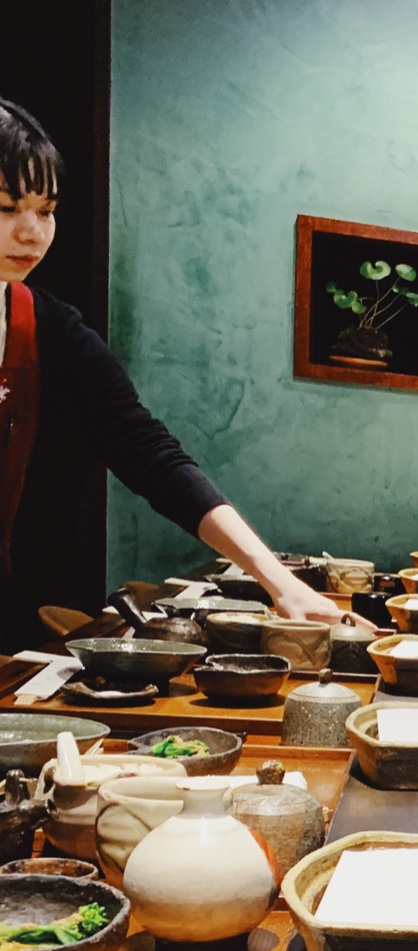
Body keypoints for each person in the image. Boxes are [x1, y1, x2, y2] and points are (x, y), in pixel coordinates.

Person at [0, 98, 339, 645]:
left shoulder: (43, 326)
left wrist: (280, 582)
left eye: (45, 210)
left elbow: (149, 453)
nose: (32, 232)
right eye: (5, 207)